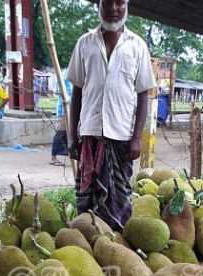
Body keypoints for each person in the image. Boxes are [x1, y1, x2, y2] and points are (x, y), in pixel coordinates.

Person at [66, 0, 156, 231]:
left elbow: (143, 96)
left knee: (119, 195)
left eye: (119, 3)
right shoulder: (85, 43)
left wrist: (137, 138)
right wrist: (72, 136)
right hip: (90, 134)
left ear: (127, 5)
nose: (113, 9)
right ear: (99, 5)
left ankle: (116, 240)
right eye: (107, 2)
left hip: (121, 137)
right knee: (87, 195)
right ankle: (89, 238)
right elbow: (77, 92)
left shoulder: (137, 46)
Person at [49, 76, 73, 166]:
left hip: (71, 108)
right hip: (64, 109)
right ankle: (53, 157)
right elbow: (66, 94)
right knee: (61, 132)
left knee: (72, 132)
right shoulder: (65, 75)